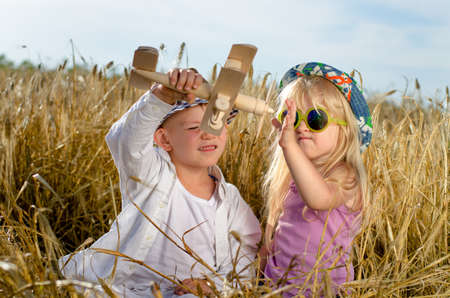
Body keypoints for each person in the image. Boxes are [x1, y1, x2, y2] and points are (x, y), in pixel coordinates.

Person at [59, 68, 261, 297]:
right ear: (164, 139)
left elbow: (243, 261)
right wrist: (162, 97)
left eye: (216, 123)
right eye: (194, 127)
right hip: (130, 290)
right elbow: (125, 141)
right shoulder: (150, 173)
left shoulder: (231, 200)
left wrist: (215, 287)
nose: (208, 134)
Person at [260, 62, 372, 297]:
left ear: (345, 130)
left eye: (316, 119)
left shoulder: (344, 174)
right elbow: (280, 219)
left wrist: (290, 147)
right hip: (279, 286)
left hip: (322, 289)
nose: (301, 127)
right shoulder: (292, 174)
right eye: (292, 117)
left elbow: (318, 198)